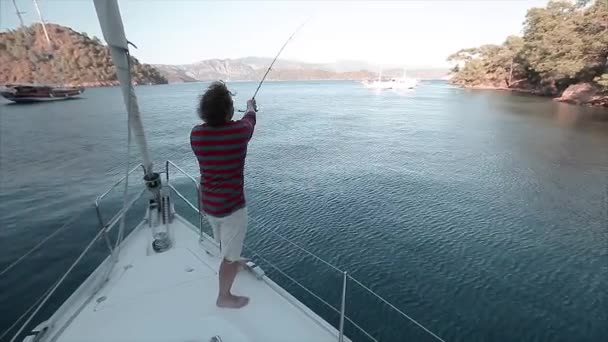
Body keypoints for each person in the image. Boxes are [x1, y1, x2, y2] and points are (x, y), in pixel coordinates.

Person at [190, 81, 257, 309]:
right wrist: (250, 107)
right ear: (229, 111)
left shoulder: (196, 135)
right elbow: (249, 121)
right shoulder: (238, 133)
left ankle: (233, 260)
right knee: (229, 254)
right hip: (232, 207)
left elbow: (228, 127)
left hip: (209, 204)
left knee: (223, 240)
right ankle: (224, 296)